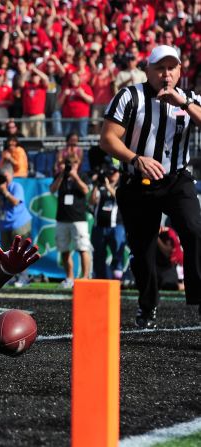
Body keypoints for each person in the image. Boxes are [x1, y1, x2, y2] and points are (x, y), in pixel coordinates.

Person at [100, 45, 201, 328]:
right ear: (148, 70)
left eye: (172, 68)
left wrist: (182, 103)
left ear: (180, 71)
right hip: (138, 181)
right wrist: (135, 158)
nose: (166, 74)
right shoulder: (129, 97)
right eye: (160, 68)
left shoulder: (190, 98)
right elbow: (107, 139)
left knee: (195, 230)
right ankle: (147, 307)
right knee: (142, 249)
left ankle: (199, 298)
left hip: (177, 178)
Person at [0, 163, 33, 286]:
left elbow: (16, 202)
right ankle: (12, 277)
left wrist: (5, 192)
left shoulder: (16, 186)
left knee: (20, 252)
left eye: (6, 176)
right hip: (5, 225)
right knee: (7, 253)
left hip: (19, 224)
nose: (4, 179)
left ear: (12, 175)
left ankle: (24, 278)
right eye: (2, 176)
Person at [49, 154, 91, 288]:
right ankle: (69, 278)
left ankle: (85, 277)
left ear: (78, 164)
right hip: (62, 218)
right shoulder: (60, 176)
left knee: (83, 248)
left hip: (78, 219)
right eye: (69, 163)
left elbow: (85, 190)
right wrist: (62, 175)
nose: (71, 166)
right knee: (64, 250)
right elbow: (52, 190)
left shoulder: (82, 176)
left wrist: (75, 176)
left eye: (74, 163)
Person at [89, 167, 125, 279]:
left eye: (114, 173)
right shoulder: (100, 187)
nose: (112, 175)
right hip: (99, 226)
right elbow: (91, 201)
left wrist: (108, 186)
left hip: (116, 226)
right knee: (98, 254)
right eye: (110, 173)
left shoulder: (122, 186)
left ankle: (118, 279)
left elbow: (119, 198)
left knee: (117, 253)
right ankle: (100, 278)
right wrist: (96, 184)